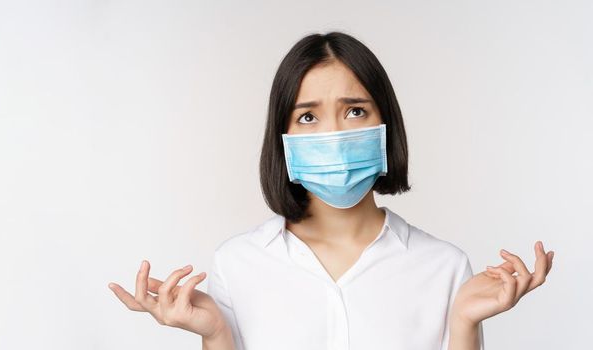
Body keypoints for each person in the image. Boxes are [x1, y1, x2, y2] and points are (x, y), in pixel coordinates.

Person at [107, 31, 554, 350]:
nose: (335, 133)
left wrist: (462, 326)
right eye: (308, 117)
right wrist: (215, 335)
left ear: (384, 124)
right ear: (281, 138)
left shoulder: (445, 267)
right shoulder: (237, 263)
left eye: (355, 111)